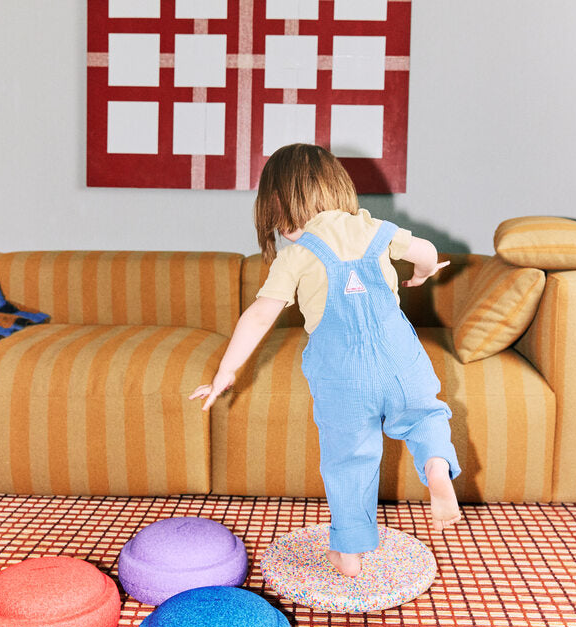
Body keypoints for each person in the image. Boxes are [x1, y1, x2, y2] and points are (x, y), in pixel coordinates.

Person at [190, 144, 461, 578]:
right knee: (426, 413)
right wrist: (424, 274)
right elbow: (426, 252)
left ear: (278, 204)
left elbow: (260, 314)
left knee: (349, 458)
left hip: (342, 375)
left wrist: (225, 372)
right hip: (400, 360)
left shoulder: (296, 255)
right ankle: (435, 464)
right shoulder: (376, 230)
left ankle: (349, 553)